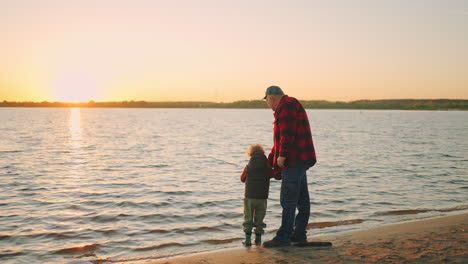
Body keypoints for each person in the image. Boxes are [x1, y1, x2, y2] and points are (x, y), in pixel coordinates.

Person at [261, 85, 317, 248]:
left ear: (271, 97)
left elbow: (287, 134)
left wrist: (282, 156)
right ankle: (299, 234)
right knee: (301, 199)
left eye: (267, 101)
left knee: (288, 200)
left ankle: (284, 236)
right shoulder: (289, 105)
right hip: (300, 159)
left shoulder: (286, 106)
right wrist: (271, 159)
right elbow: (279, 140)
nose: (268, 104)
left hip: (294, 160)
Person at [240, 143, 274, 246]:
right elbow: (272, 175)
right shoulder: (267, 165)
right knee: (260, 218)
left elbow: (242, 179)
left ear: (250, 154)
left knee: (248, 218)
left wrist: (246, 171)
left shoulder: (249, 165)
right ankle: (258, 240)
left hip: (249, 197)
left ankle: (247, 240)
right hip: (262, 197)